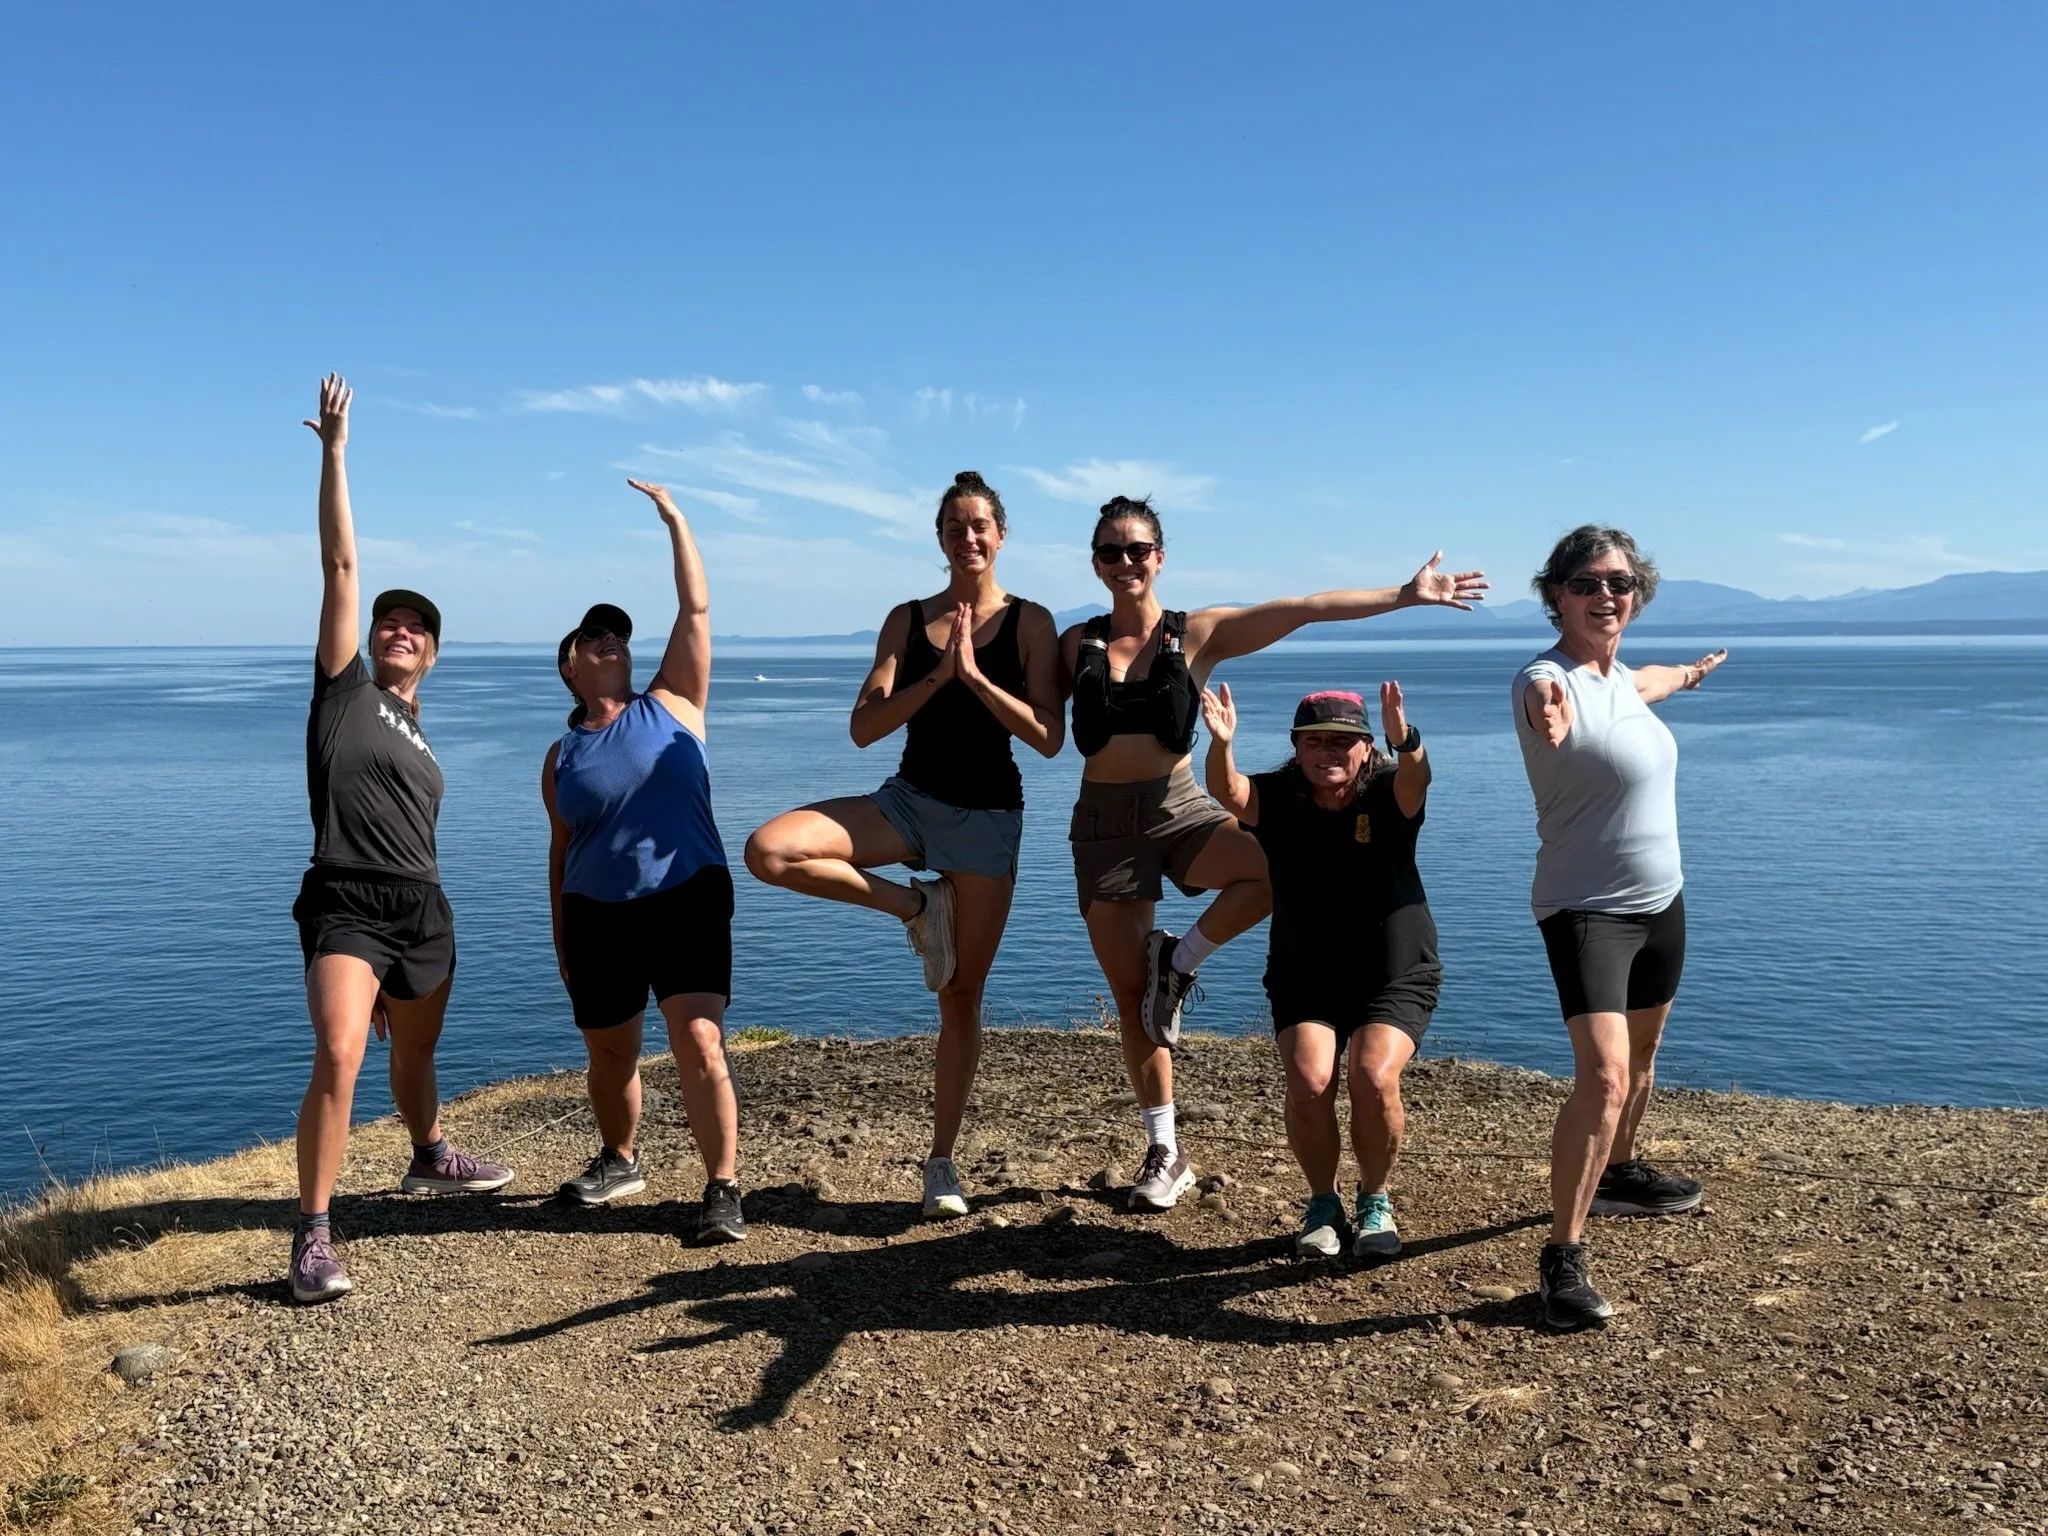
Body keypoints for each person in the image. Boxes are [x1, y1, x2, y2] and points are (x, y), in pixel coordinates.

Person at [1059, 493, 1485, 1212]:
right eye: (1110, 551)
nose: (1125, 562)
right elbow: (1030, 707)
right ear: (1096, 563)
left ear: (1160, 557)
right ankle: (1164, 1149)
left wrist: (1405, 595)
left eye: (1138, 549)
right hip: (1104, 826)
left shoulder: (1197, 633)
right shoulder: (1076, 643)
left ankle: (1182, 958)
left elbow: (1307, 607)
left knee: (1273, 868)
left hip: (1180, 807)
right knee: (1134, 999)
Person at [743, 472, 1062, 1218]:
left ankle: (941, 1164)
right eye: (955, 527)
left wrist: (977, 680)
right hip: (908, 803)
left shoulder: (1032, 623)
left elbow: (1049, 737)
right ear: (940, 538)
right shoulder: (907, 620)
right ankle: (917, 905)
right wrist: (937, 678)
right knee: (772, 850)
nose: (969, 538)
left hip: (987, 818)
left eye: (981, 525)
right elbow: (864, 727)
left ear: (1002, 535)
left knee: (960, 998)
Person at [289, 374, 512, 1306]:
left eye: (418, 628)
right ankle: (312, 1236)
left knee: (413, 1059)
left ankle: (429, 1156)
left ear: (433, 653)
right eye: (392, 620)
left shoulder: (421, 734)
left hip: (423, 908)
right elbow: (342, 565)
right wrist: (337, 453)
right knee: (341, 1052)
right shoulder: (343, 691)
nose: (400, 629)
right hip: (346, 895)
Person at [1512, 524, 1728, 1330]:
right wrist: (1549, 715)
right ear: (1556, 596)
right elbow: (1545, 705)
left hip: (1661, 900)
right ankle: (1561, 1259)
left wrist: (1695, 675)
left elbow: (1656, 682)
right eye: (1587, 583)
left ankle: (1621, 1171)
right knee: (1602, 1077)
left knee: (1643, 1055)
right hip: (1586, 909)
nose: (1607, 594)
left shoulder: (1624, 682)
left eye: (1621, 582)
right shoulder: (1547, 679)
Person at [541, 480, 745, 1244]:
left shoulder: (675, 703)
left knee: (699, 1041)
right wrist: (561, 940)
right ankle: (620, 1158)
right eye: (594, 640)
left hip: (688, 895)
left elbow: (695, 611)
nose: (612, 644)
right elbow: (561, 852)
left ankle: (722, 1187)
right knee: (610, 1052)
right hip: (596, 915)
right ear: (570, 667)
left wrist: (677, 522)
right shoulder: (561, 755)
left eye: (617, 636)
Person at [1203, 683, 1441, 1259]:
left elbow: (1419, 780)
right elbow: (1228, 792)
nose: (1328, 751)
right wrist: (1222, 744)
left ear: (1365, 749)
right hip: (1305, 972)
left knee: (1373, 1078)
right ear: (1297, 746)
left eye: (1344, 740)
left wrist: (1405, 739)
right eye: (1315, 740)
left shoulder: (1387, 793)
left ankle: (1375, 1200)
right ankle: (1323, 1202)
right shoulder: (1280, 796)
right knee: (1310, 1083)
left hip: (1394, 970)